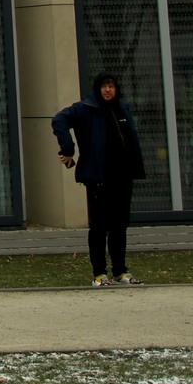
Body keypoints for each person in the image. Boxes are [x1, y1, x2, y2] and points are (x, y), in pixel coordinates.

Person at [51, 73, 146, 287]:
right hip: (99, 178)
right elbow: (59, 119)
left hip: (123, 177)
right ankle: (99, 274)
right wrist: (67, 148)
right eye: (104, 86)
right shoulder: (86, 108)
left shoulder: (122, 108)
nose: (108, 90)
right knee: (99, 227)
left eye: (111, 86)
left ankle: (120, 271)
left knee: (119, 226)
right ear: (97, 89)